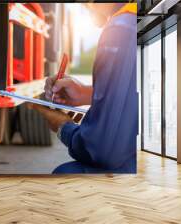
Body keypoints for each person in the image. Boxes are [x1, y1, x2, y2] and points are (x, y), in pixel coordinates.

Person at [31, 3, 138, 174]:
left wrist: (63, 127)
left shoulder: (121, 29)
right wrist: (86, 94)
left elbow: (104, 150)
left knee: (65, 176)